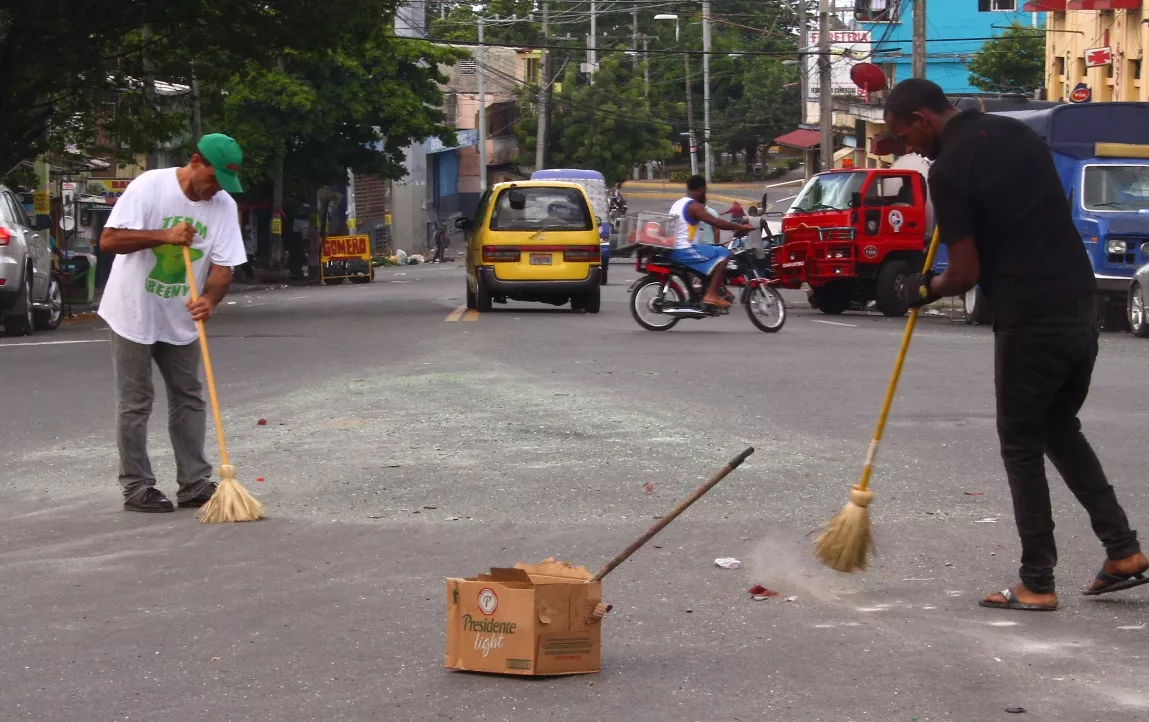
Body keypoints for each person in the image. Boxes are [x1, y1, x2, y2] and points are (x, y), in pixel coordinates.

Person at [885, 78, 1147, 610]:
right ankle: (1122, 551)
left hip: (1031, 316)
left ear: (921, 117)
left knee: (1021, 445)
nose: (907, 147)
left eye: (904, 135)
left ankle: (1038, 581)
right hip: (1080, 303)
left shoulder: (951, 169)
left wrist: (921, 289)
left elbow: (963, 273)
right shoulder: (1016, 134)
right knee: (1057, 427)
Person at [97, 133, 249, 513]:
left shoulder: (223, 205)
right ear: (196, 161)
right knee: (136, 401)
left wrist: (210, 299)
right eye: (213, 179)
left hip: (180, 315)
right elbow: (109, 240)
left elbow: (223, 265)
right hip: (133, 311)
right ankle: (136, 486)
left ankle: (194, 483)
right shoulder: (149, 186)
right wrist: (164, 235)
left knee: (190, 396)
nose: (216, 190)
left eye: (224, 185)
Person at [667, 175, 753, 308]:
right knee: (723, 254)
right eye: (705, 191)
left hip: (675, 248)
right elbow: (716, 222)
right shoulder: (694, 206)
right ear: (700, 189)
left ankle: (720, 290)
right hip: (684, 250)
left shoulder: (678, 203)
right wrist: (741, 227)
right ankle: (711, 295)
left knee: (712, 257)